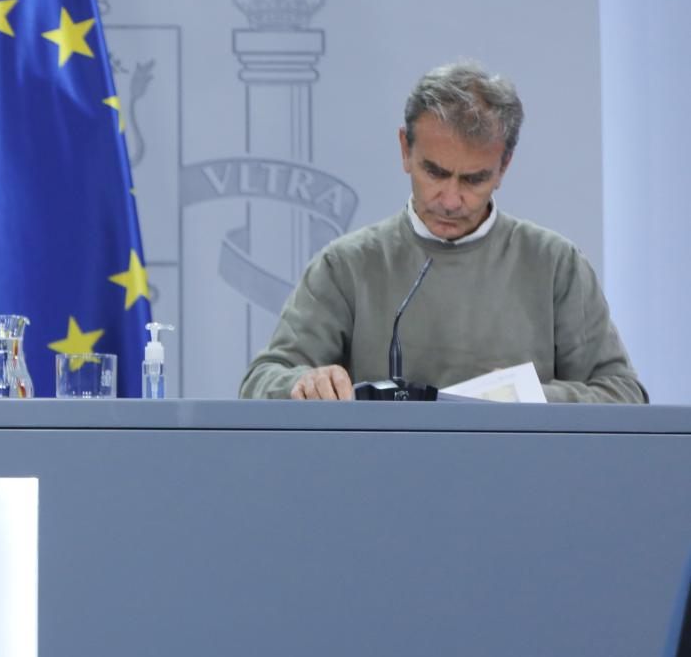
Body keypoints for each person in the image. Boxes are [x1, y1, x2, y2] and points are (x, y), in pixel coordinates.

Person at [239, 61, 646, 403]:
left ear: (504, 167)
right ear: (404, 149)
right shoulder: (348, 265)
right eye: (434, 172)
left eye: (473, 180)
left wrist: (531, 399)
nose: (450, 200)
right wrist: (303, 384)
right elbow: (261, 381)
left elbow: (623, 393)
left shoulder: (555, 264)